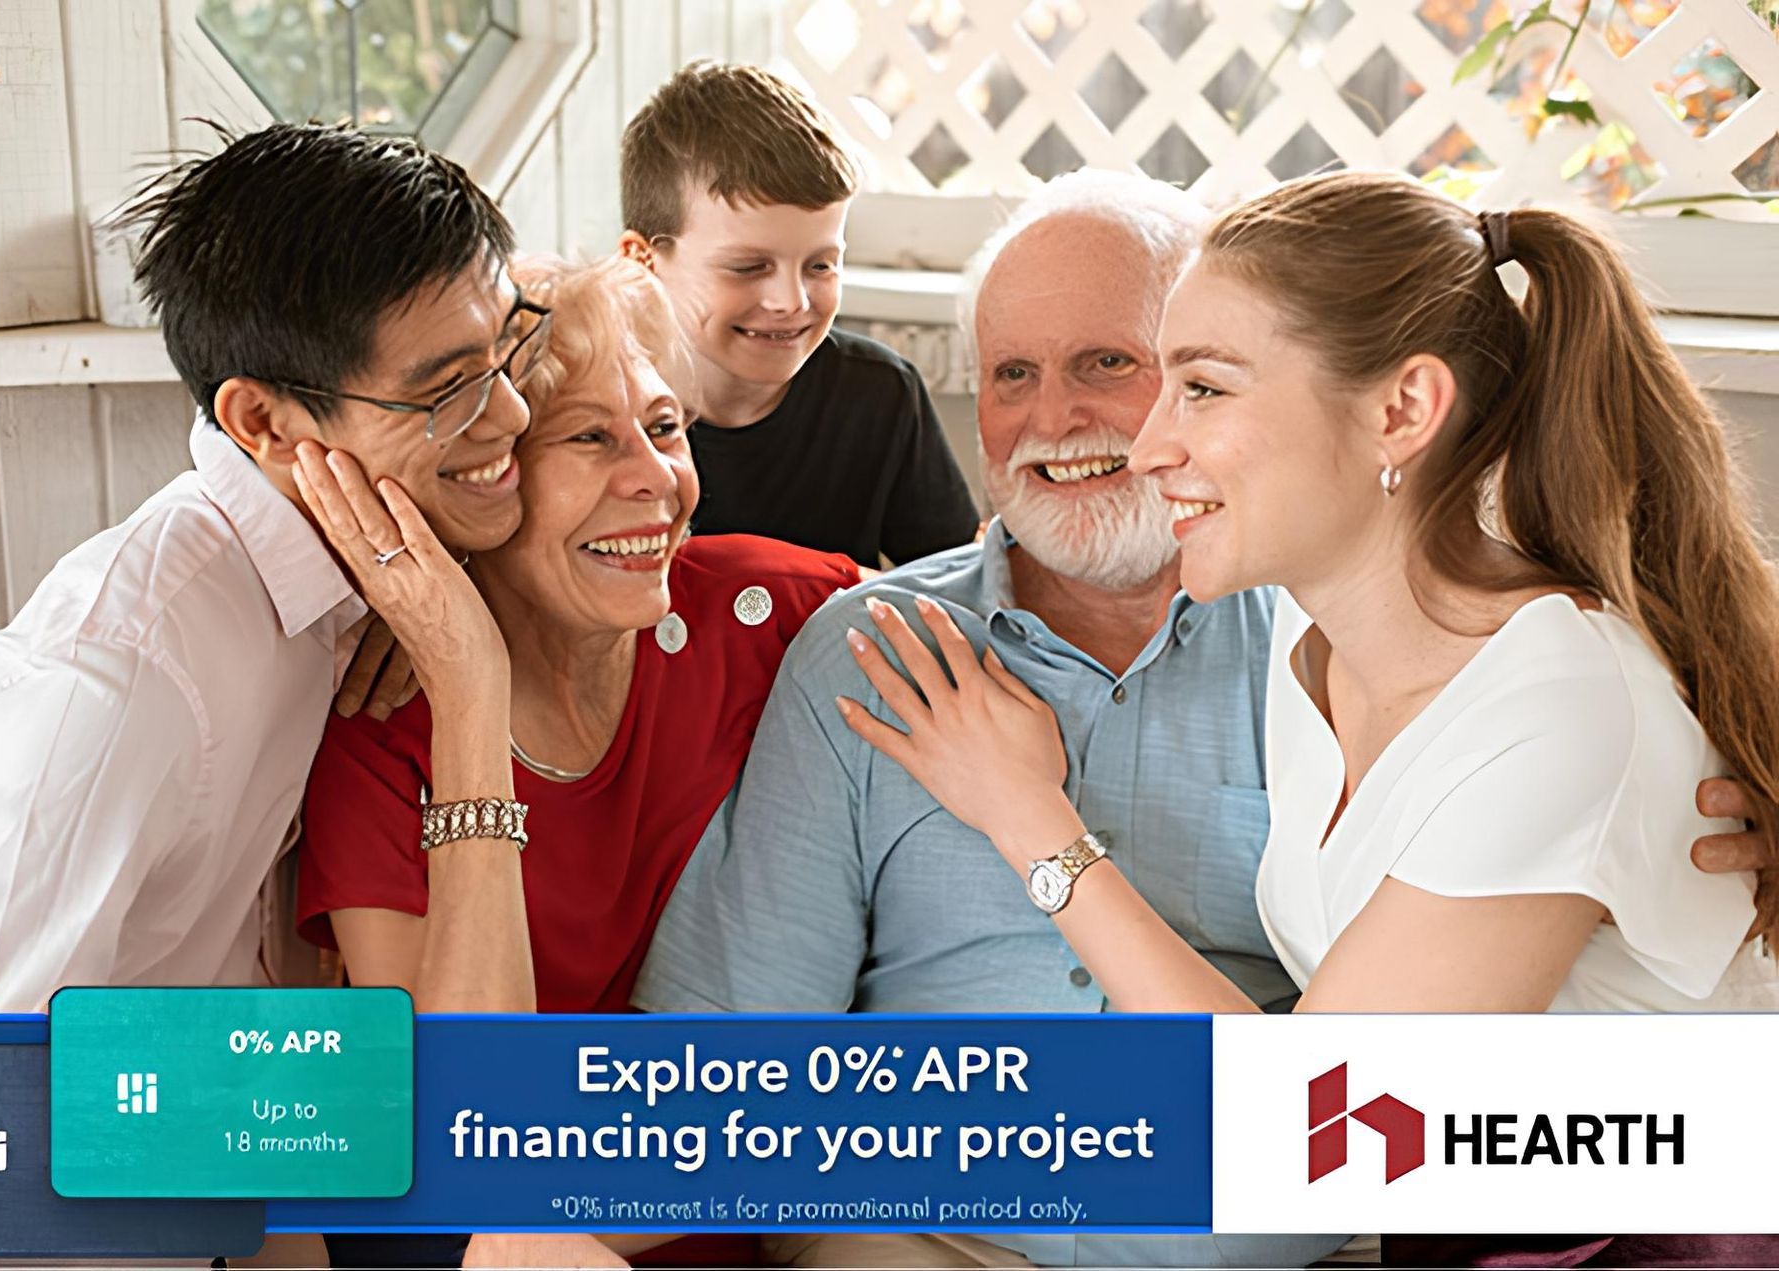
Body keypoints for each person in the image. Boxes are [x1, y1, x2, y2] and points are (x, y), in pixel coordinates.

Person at [633, 171, 1774, 1269]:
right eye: (1011, 371)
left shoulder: (1486, 679)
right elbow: (721, 1065)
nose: (1138, 437)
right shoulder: (1314, 646)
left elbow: (1320, 1135)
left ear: (1402, 410)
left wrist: (1035, 824)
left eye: (1174, 378)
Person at [0, 122, 536, 1018]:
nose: (513, 413)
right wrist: (470, 677)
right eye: (448, 389)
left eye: (506, 350)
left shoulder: (356, 572)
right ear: (263, 422)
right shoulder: (112, 678)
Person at [295, 254, 864, 1269]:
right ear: (487, 480)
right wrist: (469, 687)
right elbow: (476, 1132)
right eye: (591, 438)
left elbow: (996, 594)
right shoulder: (382, 738)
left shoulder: (760, 612)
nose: (656, 479)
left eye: (664, 426)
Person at [617, 60, 979, 568]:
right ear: (643, 263)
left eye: (821, 265)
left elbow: (955, 584)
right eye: (748, 266)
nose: (792, 302)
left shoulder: (880, 395)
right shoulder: (598, 410)